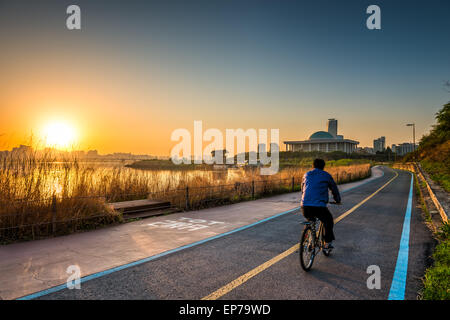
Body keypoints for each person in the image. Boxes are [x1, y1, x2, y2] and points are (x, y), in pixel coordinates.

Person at [301, 158, 341, 249]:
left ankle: (307, 239)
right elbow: (334, 189)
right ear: (323, 166)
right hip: (319, 206)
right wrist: (337, 200)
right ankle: (327, 243)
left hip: (305, 206)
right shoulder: (326, 175)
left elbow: (302, 188)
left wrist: (305, 199)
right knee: (328, 221)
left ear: (313, 165)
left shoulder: (306, 174)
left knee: (310, 220)